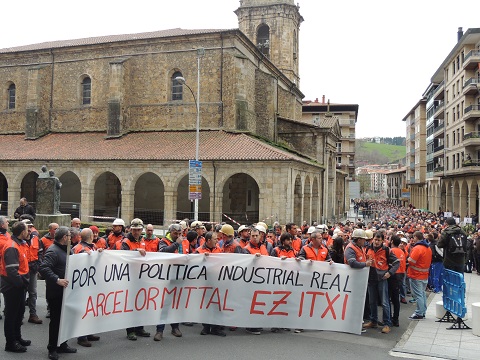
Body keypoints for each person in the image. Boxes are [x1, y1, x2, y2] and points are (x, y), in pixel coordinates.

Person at [39, 226, 77, 360]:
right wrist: (57, 280)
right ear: (64, 238)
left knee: (64, 320)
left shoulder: (67, 250)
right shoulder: (53, 251)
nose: (71, 238)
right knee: (56, 321)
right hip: (56, 293)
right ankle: (52, 348)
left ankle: (62, 344)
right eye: (69, 236)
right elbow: (43, 268)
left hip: (66, 292)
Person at [0, 221, 31, 353]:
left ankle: (17, 338)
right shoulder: (12, 246)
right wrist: (21, 285)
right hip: (13, 286)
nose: (29, 231)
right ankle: (11, 343)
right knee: (12, 315)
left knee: (18, 314)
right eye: (27, 229)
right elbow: (12, 272)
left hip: (18, 286)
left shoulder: (19, 244)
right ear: (21, 232)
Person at [363, 231, 399, 334]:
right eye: (375, 239)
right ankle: (373, 321)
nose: (376, 242)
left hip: (382, 279)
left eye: (379, 240)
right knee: (372, 301)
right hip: (370, 278)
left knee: (384, 302)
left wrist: (390, 273)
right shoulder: (367, 249)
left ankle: (387, 323)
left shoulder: (387, 250)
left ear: (382, 240)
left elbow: (397, 263)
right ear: (373, 239)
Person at [121, 218, 150, 341]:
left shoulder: (143, 240)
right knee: (130, 304)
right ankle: (130, 330)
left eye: (139, 230)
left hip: (141, 276)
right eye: (135, 230)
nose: (137, 232)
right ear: (131, 229)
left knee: (141, 303)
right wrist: (135, 251)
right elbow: (123, 255)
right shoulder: (126, 241)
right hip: (130, 277)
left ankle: (139, 327)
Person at [156, 223, 183, 340]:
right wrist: (177, 243)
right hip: (166, 277)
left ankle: (175, 327)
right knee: (164, 304)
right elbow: (163, 253)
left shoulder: (184, 242)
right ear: (170, 232)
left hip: (179, 276)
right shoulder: (163, 242)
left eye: (179, 234)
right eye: (175, 233)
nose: (177, 235)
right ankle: (159, 330)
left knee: (175, 304)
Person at [195, 231, 225, 337]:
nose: (217, 241)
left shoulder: (219, 250)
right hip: (204, 281)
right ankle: (206, 327)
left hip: (217, 281)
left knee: (217, 304)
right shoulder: (199, 251)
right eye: (215, 239)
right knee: (206, 304)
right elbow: (193, 265)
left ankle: (216, 328)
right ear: (208, 241)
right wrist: (201, 258)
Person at [407, 231, 432, 320]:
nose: (412, 239)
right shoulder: (427, 248)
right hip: (424, 275)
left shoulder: (417, 248)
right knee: (422, 294)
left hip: (416, 275)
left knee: (418, 295)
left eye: (413, 237)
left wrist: (408, 258)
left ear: (416, 237)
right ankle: (422, 311)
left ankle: (419, 313)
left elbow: (411, 261)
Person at [21, 219, 43, 324]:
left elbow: (40, 253)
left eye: (30, 227)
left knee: (33, 293)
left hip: (33, 269)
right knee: (22, 293)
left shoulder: (36, 239)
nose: (29, 229)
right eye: (27, 227)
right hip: (22, 271)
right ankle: (19, 316)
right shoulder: (18, 242)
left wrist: (38, 265)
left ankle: (33, 315)